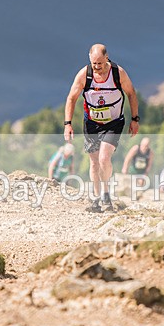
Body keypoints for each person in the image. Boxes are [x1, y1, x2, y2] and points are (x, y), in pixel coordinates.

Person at [63, 44, 139, 212]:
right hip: (92, 123)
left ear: (107, 58)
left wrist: (135, 119)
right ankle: (97, 199)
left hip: (114, 122)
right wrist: (67, 124)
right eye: (93, 63)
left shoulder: (118, 73)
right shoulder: (85, 74)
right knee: (95, 162)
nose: (96, 67)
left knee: (104, 158)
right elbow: (71, 98)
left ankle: (106, 195)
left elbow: (132, 93)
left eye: (99, 63)